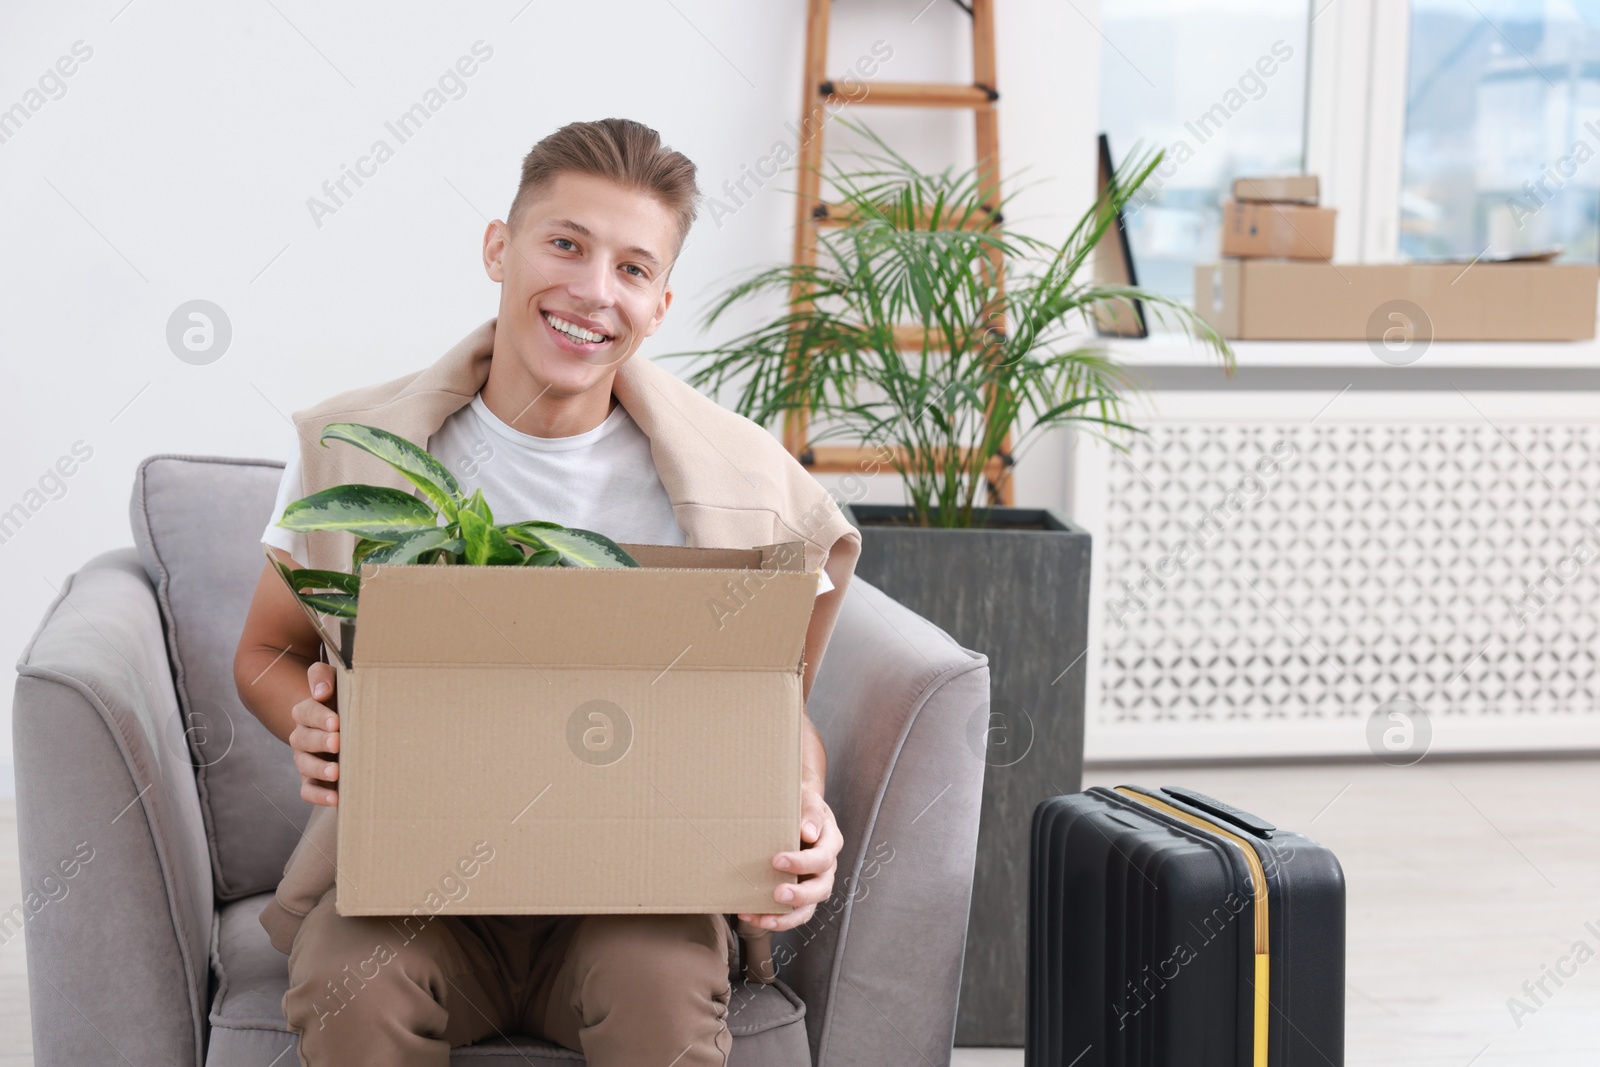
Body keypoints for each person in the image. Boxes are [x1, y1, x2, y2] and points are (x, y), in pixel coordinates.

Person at [232, 117, 860, 1067]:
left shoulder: (741, 485)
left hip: (637, 894)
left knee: (661, 989)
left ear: (660, 303)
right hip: (415, 887)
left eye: (633, 268)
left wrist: (805, 804)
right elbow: (268, 650)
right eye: (566, 244)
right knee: (349, 983)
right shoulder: (356, 447)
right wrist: (308, 724)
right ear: (499, 247)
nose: (593, 291)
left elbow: (774, 707)